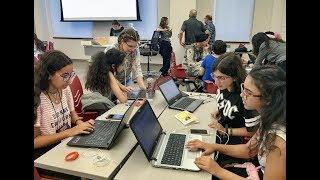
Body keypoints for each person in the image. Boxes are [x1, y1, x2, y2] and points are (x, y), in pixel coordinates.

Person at [186, 65, 286, 179]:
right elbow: (249, 150)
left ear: (269, 98)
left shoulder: (278, 143)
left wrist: (217, 171)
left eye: (248, 92)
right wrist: (213, 146)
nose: (241, 94)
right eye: (244, 88)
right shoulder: (270, 118)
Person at [34, 50, 95, 159]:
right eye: (65, 76)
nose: (70, 81)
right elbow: (35, 141)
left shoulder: (64, 89)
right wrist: (69, 132)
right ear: (48, 74)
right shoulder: (37, 98)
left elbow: (72, 114)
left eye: (71, 75)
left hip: (64, 143)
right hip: (46, 153)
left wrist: (80, 124)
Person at [209, 52, 259, 145]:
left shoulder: (245, 97)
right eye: (215, 76)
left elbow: (253, 131)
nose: (216, 82)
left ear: (235, 77)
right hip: (221, 129)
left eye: (221, 78)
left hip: (236, 140)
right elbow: (230, 103)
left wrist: (225, 130)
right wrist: (221, 110)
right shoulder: (223, 87)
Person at [81, 49, 128, 114]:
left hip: (98, 104)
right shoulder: (109, 75)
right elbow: (123, 100)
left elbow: (116, 82)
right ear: (113, 66)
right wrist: (125, 92)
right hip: (102, 110)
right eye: (122, 65)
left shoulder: (103, 71)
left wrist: (122, 87)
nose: (124, 67)